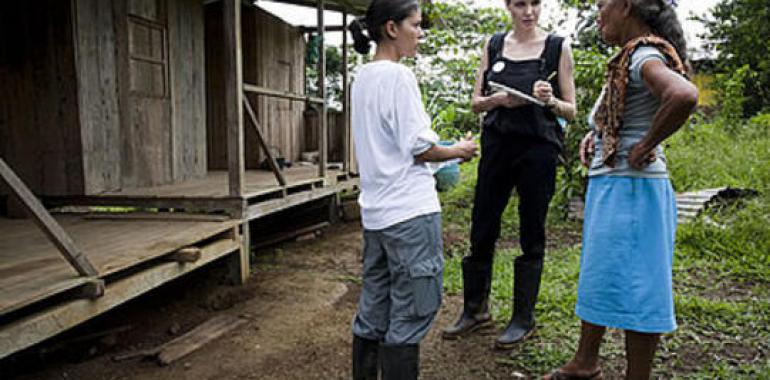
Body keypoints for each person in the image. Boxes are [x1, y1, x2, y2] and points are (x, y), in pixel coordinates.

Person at [544, 0, 698, 379]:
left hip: (634, 192)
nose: (598, 14)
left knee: (642, 286)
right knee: (601, 275)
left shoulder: (642, 55)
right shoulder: (631, 55)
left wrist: (644, 145)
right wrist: (597, 138)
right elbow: (621, 117)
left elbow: (683, 96)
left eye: (601, 5)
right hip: (617, 187)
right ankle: (585, 362)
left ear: (626, 6)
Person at [347, 1, 478, 379]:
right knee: (414, 308)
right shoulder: (399, 77)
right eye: (415, 25)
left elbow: (391, 146)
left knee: (374, 306)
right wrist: (460, 151)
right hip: (410, 213)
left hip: (376, 213)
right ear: (392, 28)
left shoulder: (363, 78)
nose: (420, 33)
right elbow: (421, 148)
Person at [442, 0, 577, 350]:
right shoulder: (494, 44)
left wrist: (549, 100)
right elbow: (475, 101)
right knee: (482, 224)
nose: (529, 11)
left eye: (535, 3)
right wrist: (499, 100)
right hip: (498, 145)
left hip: (538, 149)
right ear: (508, 6)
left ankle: (523, 318)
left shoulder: (557, 46)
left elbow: (572, 110)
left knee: (532, 230)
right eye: (520, 4)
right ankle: (475, 309)